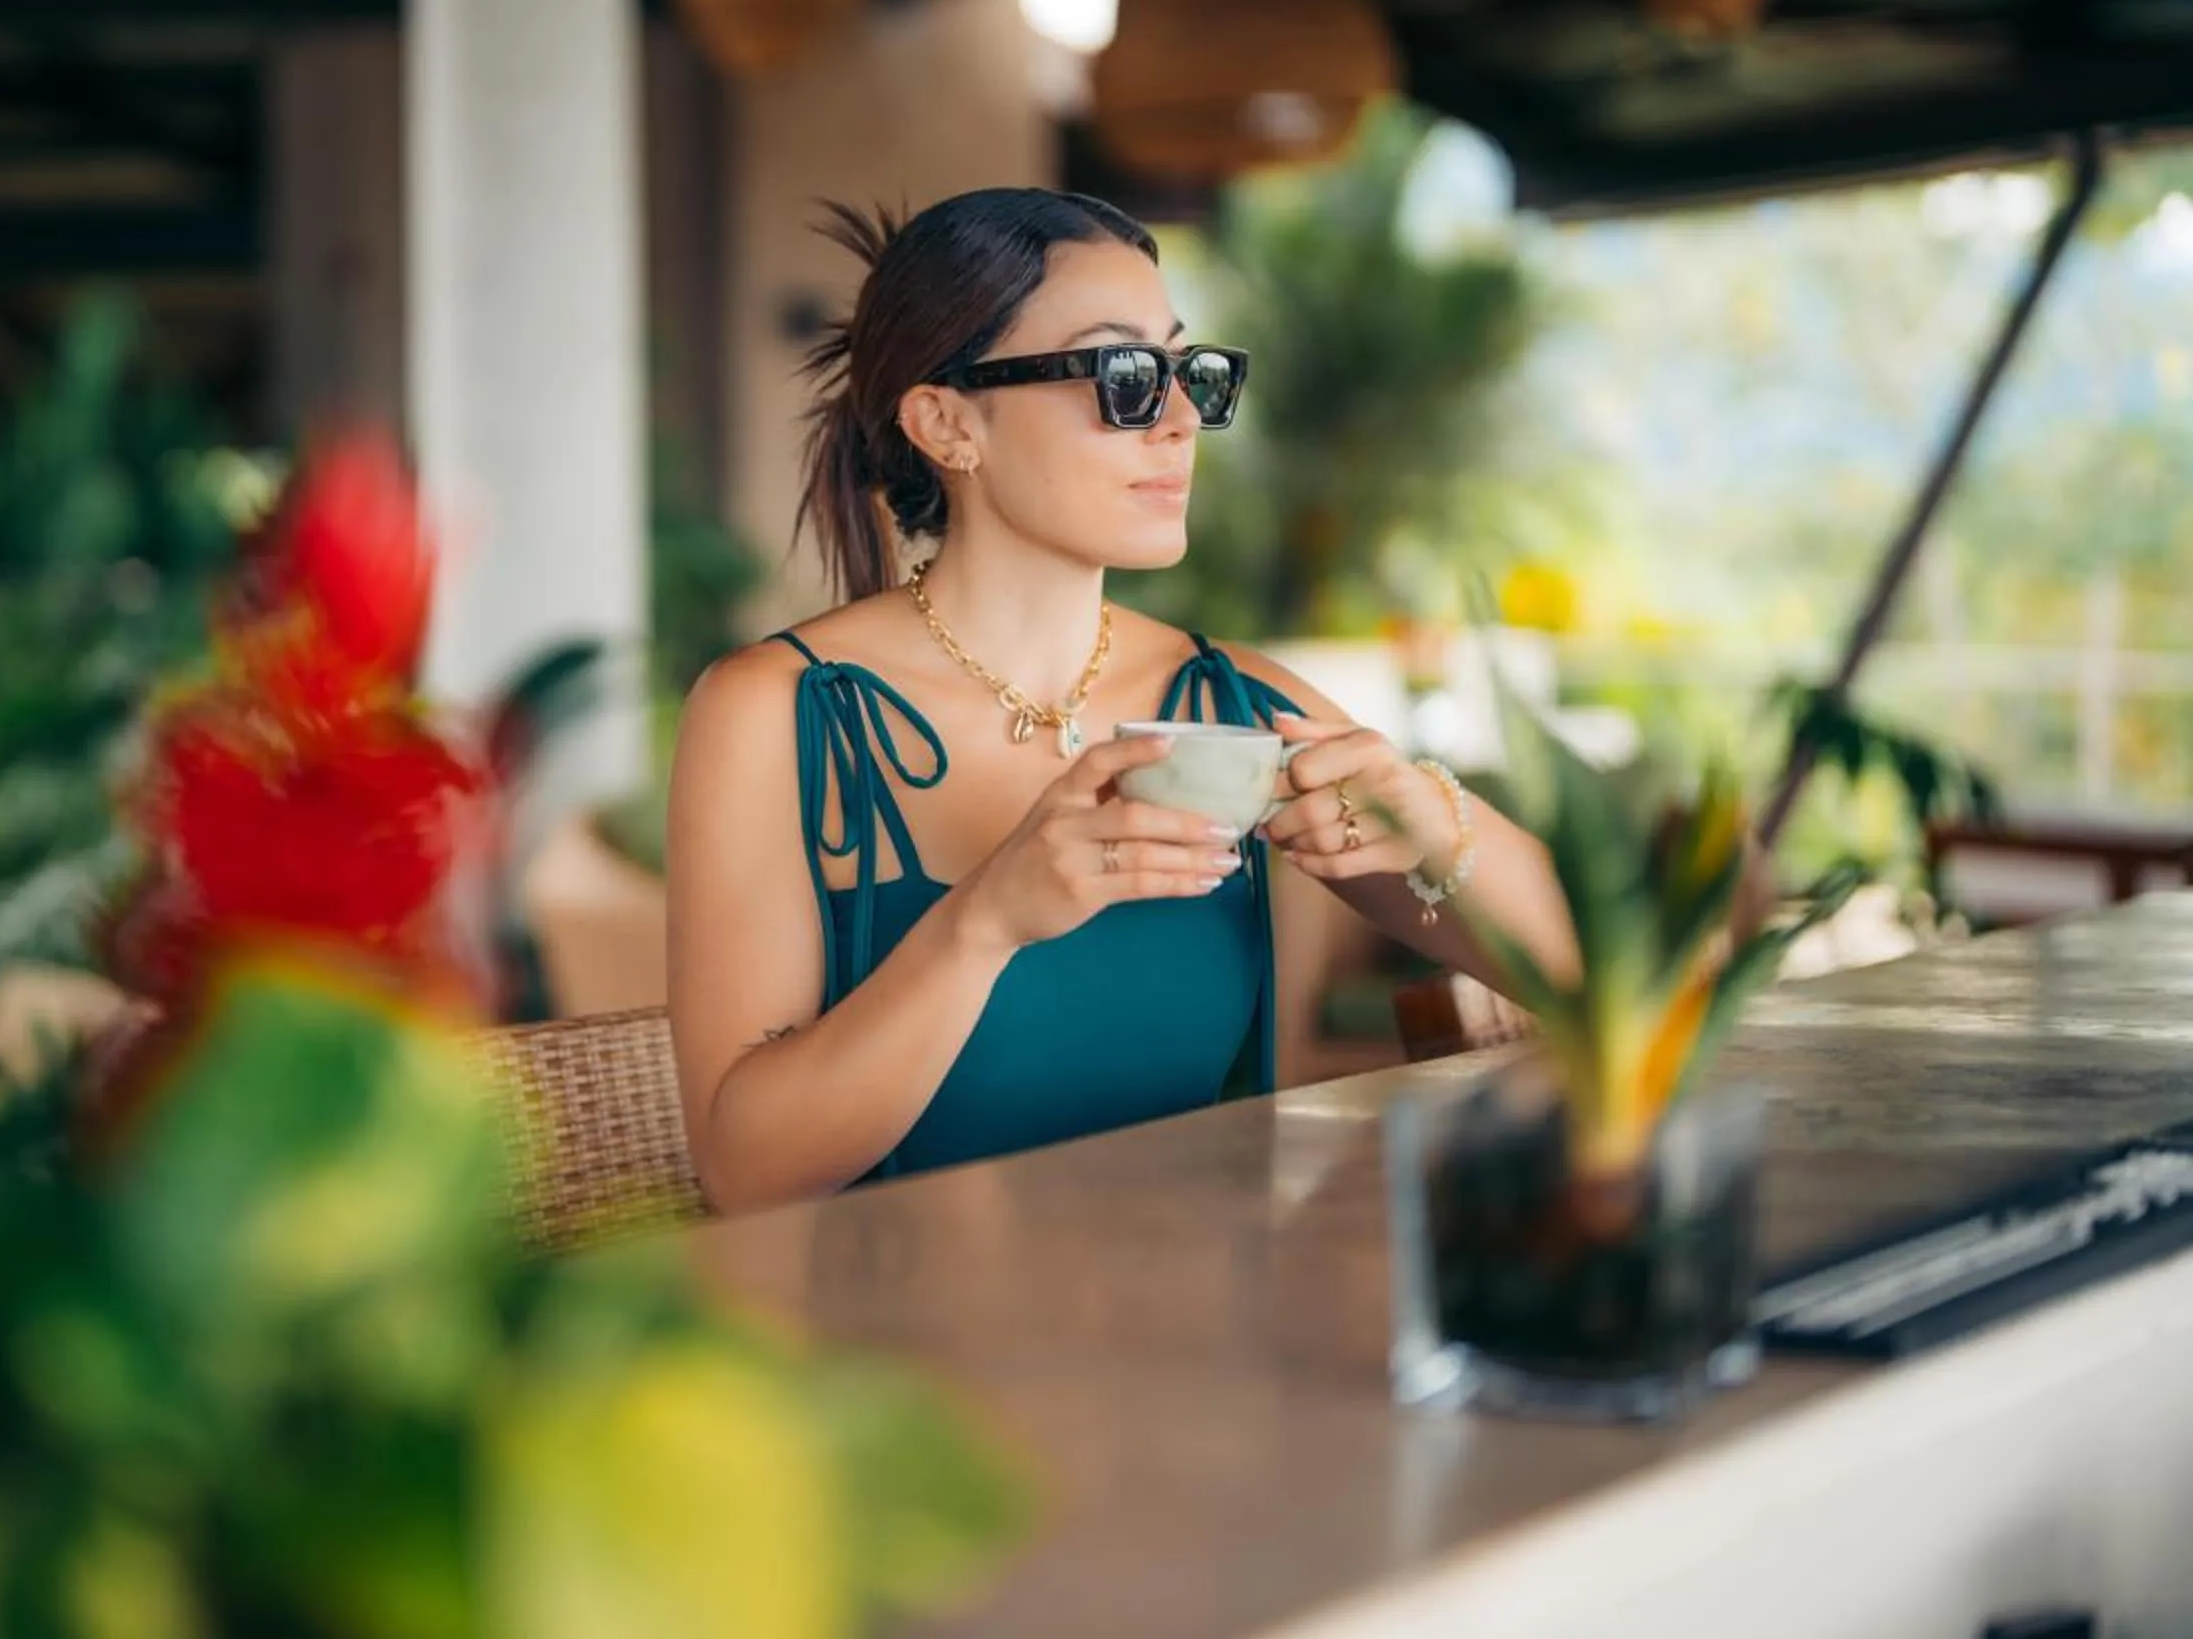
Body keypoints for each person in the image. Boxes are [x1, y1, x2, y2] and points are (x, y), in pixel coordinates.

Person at [666, 189, 1579, 1216]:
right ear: (947, 421)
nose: (1184, 420)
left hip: (1212, 1341)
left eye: (1187, 370)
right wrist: (983, 922)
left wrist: (1422, 820)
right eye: (1123, 377)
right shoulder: (778, 712)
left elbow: (1605, 981)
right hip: (900, 1355)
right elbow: (742, 1171)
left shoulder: (1229, 701)